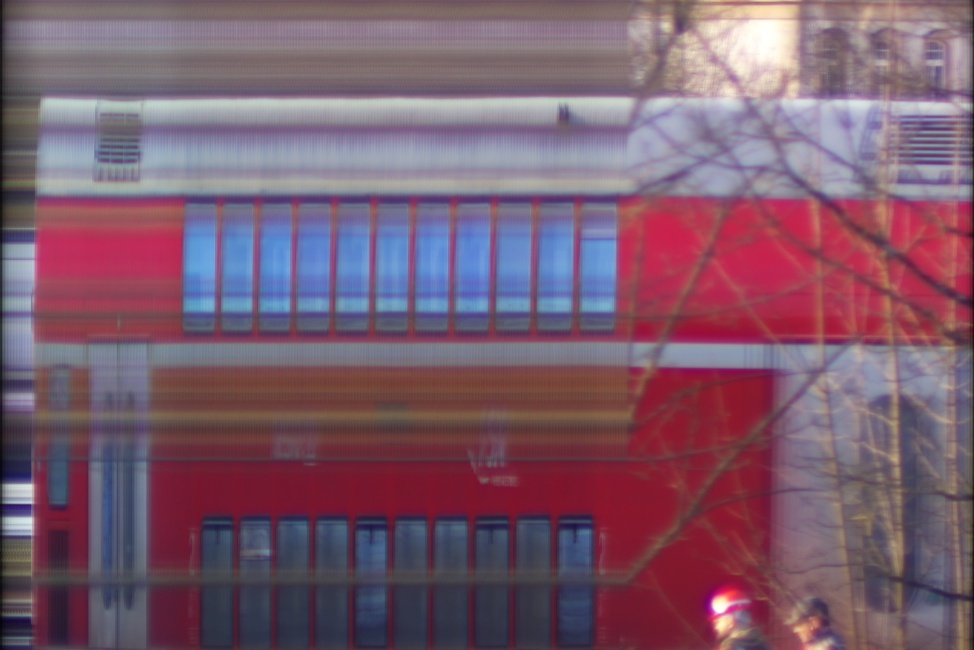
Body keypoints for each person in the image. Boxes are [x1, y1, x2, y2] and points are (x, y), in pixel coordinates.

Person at [708, 585, 771, 650]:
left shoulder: (730, 648)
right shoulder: (762, 645)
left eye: (718, 620)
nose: (715, 625)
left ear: (731, 621)